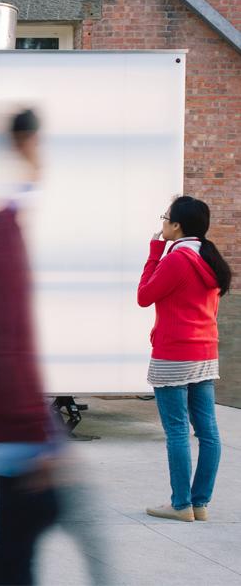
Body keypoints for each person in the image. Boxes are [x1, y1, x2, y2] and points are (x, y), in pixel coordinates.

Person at [0, 109, 60, 585]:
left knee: (10, 550)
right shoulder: (4, 232)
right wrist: (34, 431)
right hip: (17, 428)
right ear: (27, 144)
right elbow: (7, 337)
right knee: (13, 556)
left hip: (9, 421)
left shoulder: (2, 226)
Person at [138, 196, 231, 522]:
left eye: (165, 218)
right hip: (205, 353)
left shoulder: (177, 260)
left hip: (174, 355)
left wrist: (154, 252)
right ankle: (199, 503)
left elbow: (144, 296)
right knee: (208, 433)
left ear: (176, 225)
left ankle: (181, 505)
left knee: (178, 432)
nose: (162, 223)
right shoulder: (209, 258)